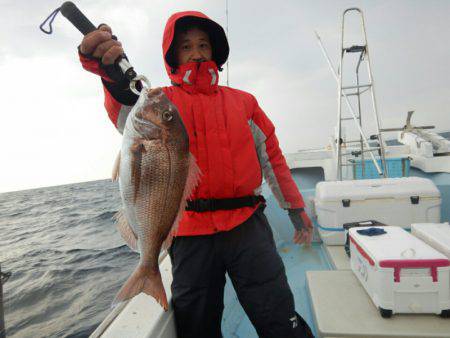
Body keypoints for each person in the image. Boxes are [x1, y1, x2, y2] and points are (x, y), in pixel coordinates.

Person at [79, 11, 314, 338]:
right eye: (186, 46)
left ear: (215, 51)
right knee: (197, 321)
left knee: (275, 308)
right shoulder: (162, 101)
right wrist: (111, 74)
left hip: (247, 224)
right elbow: (124, 110)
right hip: (188, 232)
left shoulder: (244, 102)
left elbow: (272, 159)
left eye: (203, 44)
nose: (196, 52)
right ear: (172, 56)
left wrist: (295, 208)